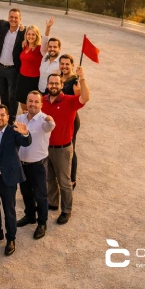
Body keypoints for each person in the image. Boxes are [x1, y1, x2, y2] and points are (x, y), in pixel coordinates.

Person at [41, 67, 91, 225]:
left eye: (56, 83)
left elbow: (85, 97)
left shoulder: (70, 101)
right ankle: (53, 202)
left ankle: (66, 210)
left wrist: (82, 79)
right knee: (49, 178)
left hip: (63, 149)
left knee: (64, 181)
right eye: (51, 83)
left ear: (61, 85)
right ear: (48, 85)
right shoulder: (42, 100)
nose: (53, 86)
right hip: (46, 148)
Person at [0, 104, 31, 257]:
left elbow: (25, 142)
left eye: (2, 115)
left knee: (9, 210)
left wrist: (25, 134)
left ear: (7, 117)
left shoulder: (13, 131)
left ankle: (11, 239)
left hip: (8, 179)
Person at [15, 91, 55, 240]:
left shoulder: (44, 120)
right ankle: (30, 216)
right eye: (30, 101)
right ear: (26, 102)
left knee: (41, 196)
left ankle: (42, 223)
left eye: (36, 102)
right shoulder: (20, 118)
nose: (33, 104)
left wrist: (50, 120)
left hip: (38, 165)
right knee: (26, 193)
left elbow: (50, 125)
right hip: (22, 164)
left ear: (41, 104)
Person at [14, 19, 52, 114]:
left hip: (33, 80)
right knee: (23, 104)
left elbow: (45, 40)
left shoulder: (40, 49)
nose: (30, 36)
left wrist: (48, 27)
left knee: (33, 106)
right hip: (22, 79)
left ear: (37, 35)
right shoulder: (24, 46)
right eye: (29, 34)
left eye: (33, 34)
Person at [0, 8, 26, 115]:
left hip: (13, 69)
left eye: (16, 17)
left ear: (20, 19)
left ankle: (11, 119)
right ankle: (4, 115)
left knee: (12, 96)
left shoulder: (23, 32)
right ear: (8, 18)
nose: (13, 19)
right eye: (11, 17)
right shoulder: (4, 26)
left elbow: (35, 34)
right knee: (2, 93)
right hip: (0, 67)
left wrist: (24, 29)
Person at [59, 54, 82, 189]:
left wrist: (80, 84)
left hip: (71, 119)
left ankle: (72, 179)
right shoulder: (59, 78)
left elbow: (79, 97)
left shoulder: (75, 81)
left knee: (70, 148)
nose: (64, 66)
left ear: (72, 66)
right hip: (59, 118)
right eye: (62, 63)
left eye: (67, 64)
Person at [38, 26, 62, 93]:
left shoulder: (61, 62)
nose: (52, 49)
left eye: (55, 47)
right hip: (40, 90)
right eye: (50, 46)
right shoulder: (45, 57)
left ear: (59, 48)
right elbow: (44, 42)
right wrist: (48, 28)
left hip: (51, 93)